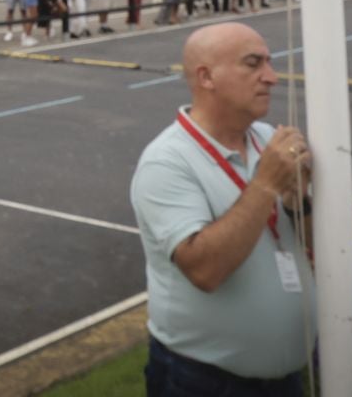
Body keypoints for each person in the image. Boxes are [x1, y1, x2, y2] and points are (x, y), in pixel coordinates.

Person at [130, 23, 314, 396]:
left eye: (269, 63)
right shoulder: (166, 162)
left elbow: (309, 244)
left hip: (285, 379)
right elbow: (204, 269)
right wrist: (264, 185)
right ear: (206, 76)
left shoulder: (267, 139)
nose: (272, 77)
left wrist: (298, 204)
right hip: (203, 381)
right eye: (253, 64)